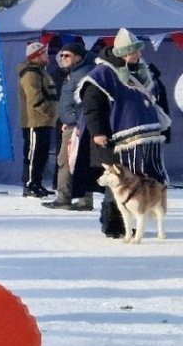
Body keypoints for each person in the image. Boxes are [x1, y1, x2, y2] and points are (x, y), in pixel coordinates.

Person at [79, 28, 171, 240]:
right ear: (121, 53)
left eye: (138, 52)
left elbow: (156, 100)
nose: (138, 56)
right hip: (117, 140)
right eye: (133, 53)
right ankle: (113, 225)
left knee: (143, 181)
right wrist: (98, 131)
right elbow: (92, 106)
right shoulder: (102, 75)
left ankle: (140, 220)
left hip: (147, 138)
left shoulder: (144, 71)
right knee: (118, 181)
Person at [45, 38, 93, 211]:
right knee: (70, 161)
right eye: (62, 55)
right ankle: (68, 197)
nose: (63, 58)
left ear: (79, 57)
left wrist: (76, 121)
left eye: (67, 55)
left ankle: (73, 199)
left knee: (72, 161)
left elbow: (86, 102)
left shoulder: (83, 74)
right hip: (72, 124)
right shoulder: (73, 73)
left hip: (78, 126)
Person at [17, 40, 59, 198]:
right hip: (34, 122)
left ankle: (37, 183)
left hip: (44, 122)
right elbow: (34, 97)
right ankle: (30, 185)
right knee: (33, 155)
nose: (47, 56)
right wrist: (48, 111)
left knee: (41, 155)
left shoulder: (41, 72)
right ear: (36, 56)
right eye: (43, 53)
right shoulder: (30, 73)